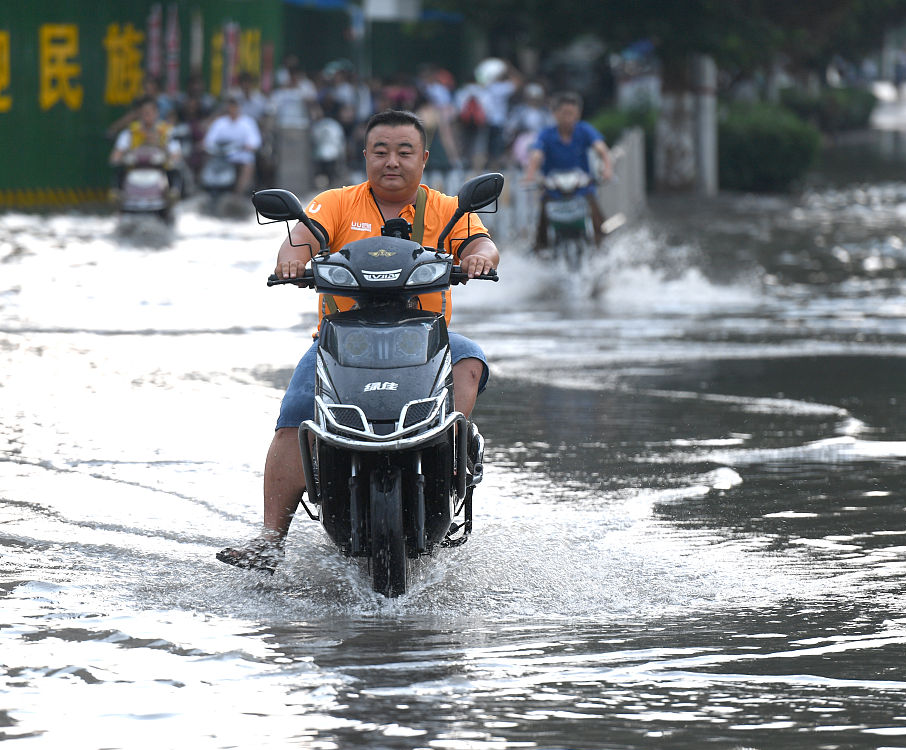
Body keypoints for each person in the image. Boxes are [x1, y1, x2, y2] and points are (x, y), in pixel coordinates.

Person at [216, 108, 501, 573]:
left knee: (470, 359)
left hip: (424, 341)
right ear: (365, 155)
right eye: (381, 151)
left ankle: (450, 460)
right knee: (296, 414)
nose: (392, 161)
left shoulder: (446, 209)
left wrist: (479, 259)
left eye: (404, 151)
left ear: (424, 158)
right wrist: (292, 260)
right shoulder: (336, 203)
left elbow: (481, 244)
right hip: (340, 342)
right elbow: (302, 239)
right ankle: (269, 539)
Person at [523, 91, 614, 248]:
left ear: (578, 114)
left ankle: (602, 248)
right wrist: (530, 176)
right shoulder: (546, 134)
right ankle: (541, 251)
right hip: (554, 191)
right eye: (564, 113)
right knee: (541, 227)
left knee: (598, 221)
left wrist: (607, 169)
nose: (568, 117)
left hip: (582, 189)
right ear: (555, 114)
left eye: (572, 113)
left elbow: (601, 149)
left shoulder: (584, 130)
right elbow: (536, 155)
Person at [109, 95, 183, 195]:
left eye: (149, 112)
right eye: (143, 112)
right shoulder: (130, 132)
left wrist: (161, 146)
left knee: (175, 173)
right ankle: (118, 195)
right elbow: (116, 154)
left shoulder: (167, 131)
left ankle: (173, 194)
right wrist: (121, 158)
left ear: (157, 113)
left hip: (160, 170)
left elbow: (176, 155)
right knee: (118, 173)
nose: (147, 116)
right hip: (135, 169)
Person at [201, 96, 263, 196]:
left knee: (248, 164)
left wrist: (247, 146)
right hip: (222, 155)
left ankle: (238, 193)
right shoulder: (220, 122)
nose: (233, 109)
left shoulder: (248, 122)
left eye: (235, 106)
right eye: (231, 106)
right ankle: (206, 189)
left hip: (240, 154)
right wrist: (206, 146)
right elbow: (209, 140)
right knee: (206, 160)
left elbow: (255, 141)